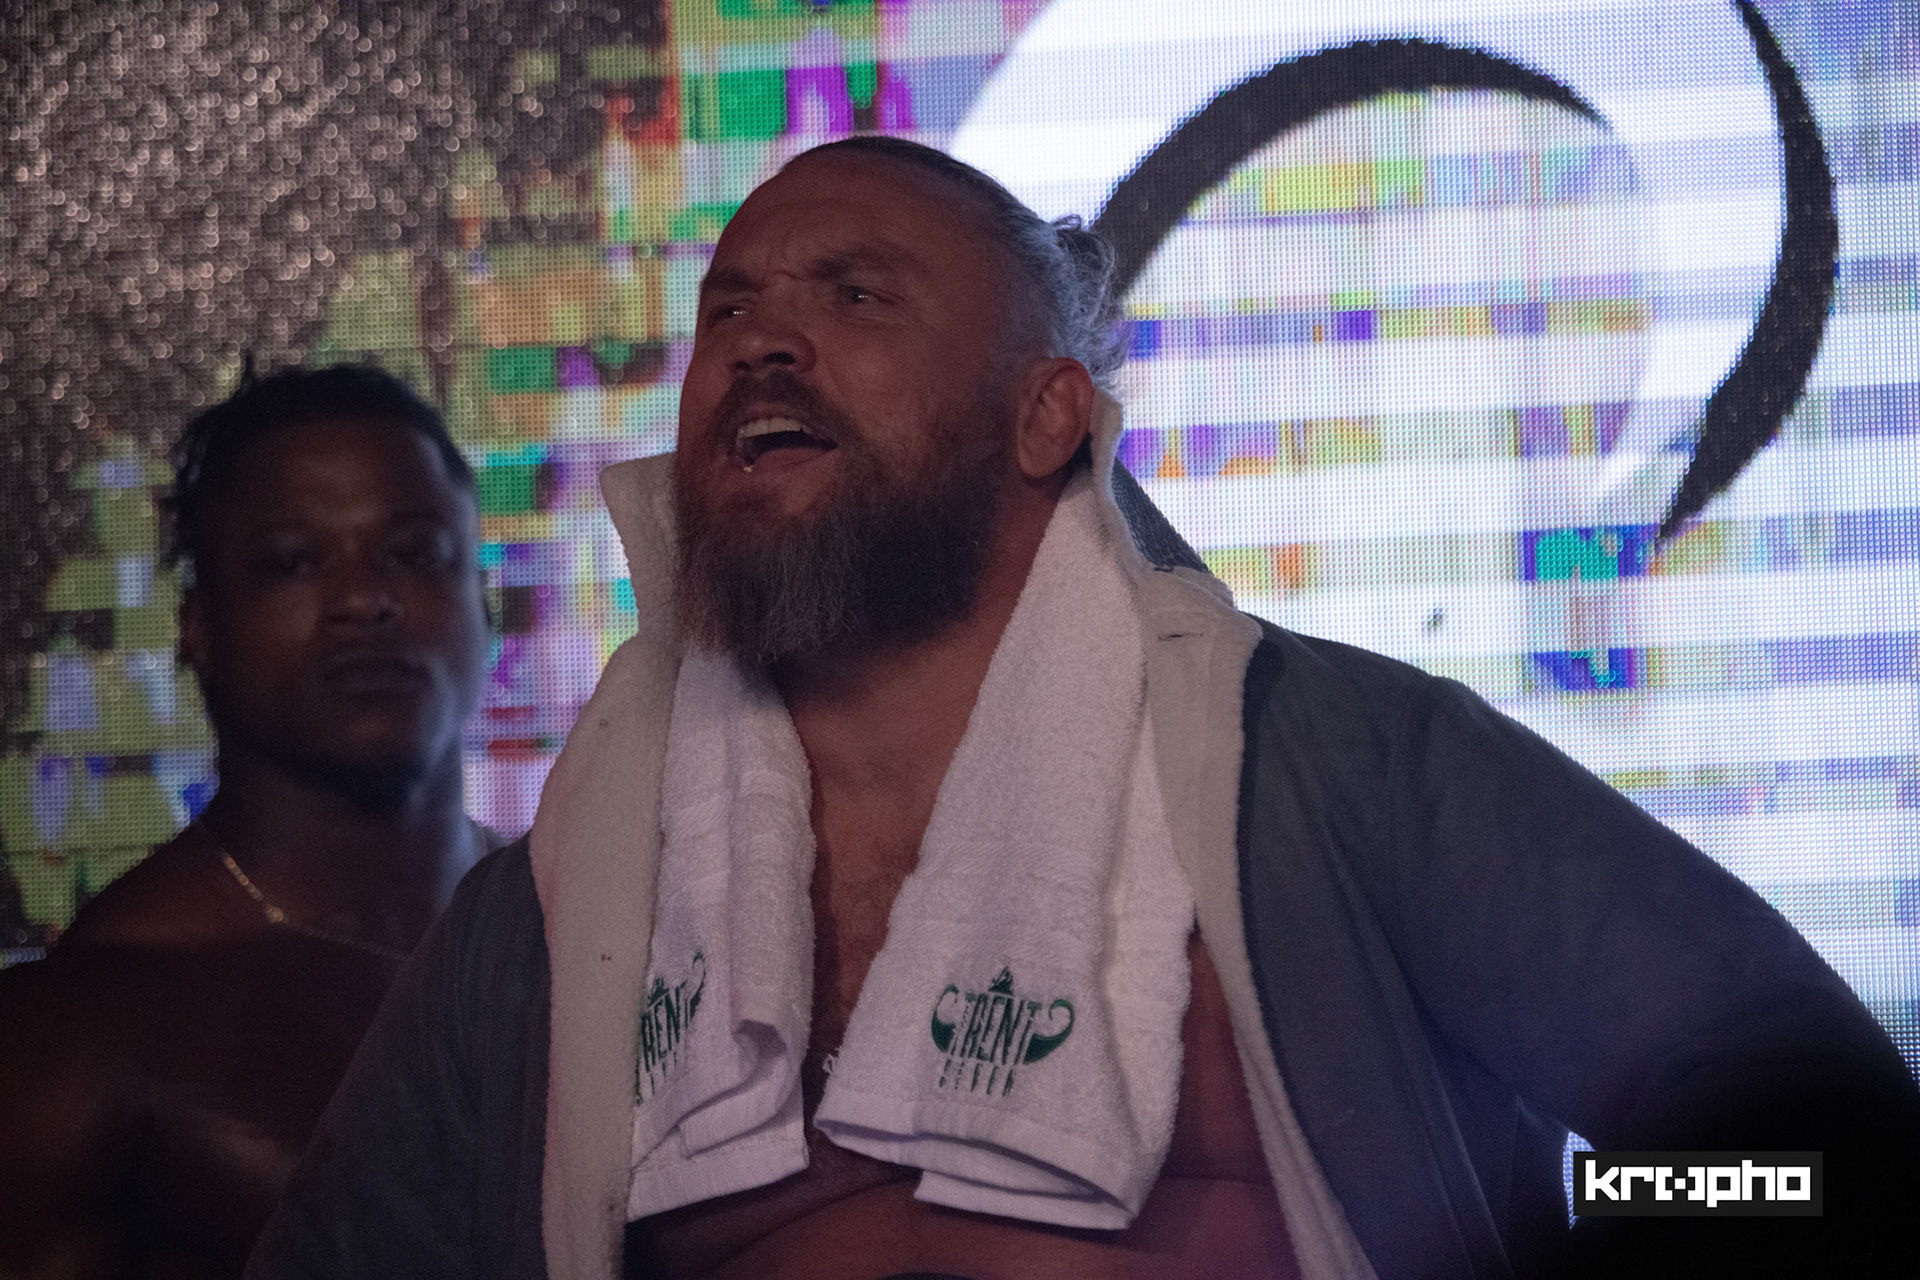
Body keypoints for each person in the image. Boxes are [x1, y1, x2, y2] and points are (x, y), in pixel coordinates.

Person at [247, 141, 1920, 1280]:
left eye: (854, 296)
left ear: (1047, 415)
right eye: (729, 309)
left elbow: (1801, 1149)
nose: (761, 343)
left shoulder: (1326, 767)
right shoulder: (567, 906)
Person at [0, 364, 494, 1278]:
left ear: (483, 602)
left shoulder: (591, 920)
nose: (363, 600)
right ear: (196, 628)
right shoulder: (77, 1029)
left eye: (416, 553)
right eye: (293, 562)